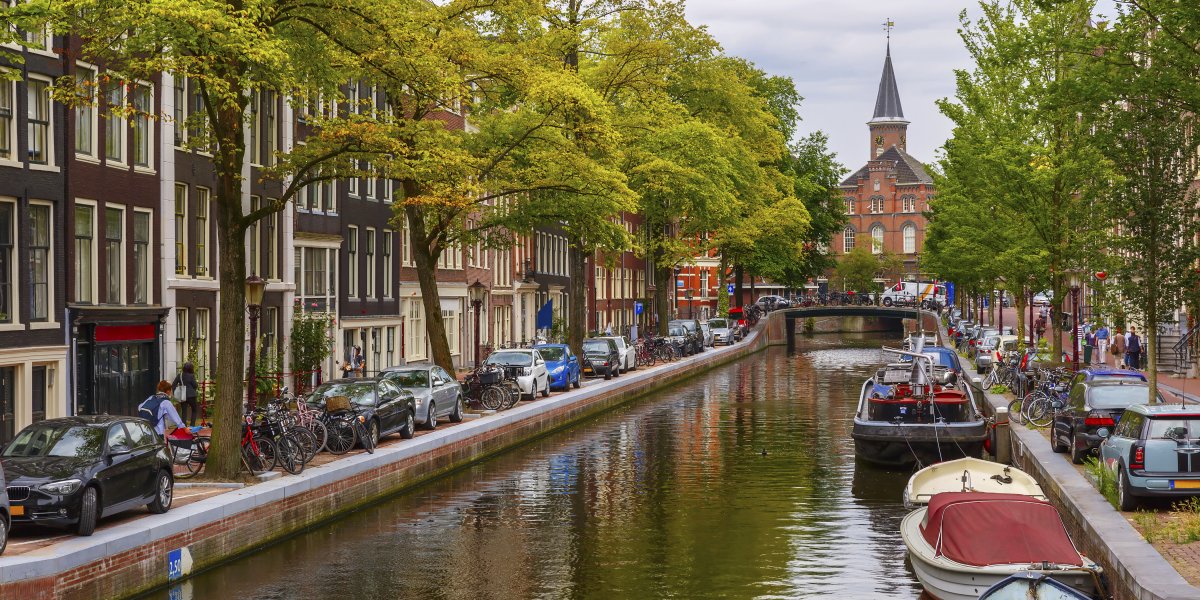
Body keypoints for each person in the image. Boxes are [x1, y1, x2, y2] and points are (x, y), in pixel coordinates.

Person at [171, 362, 200, 426]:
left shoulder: (180, 375)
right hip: (192, 395)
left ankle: (183, 426)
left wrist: (175, 393)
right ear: (191, 369)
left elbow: (173, 385)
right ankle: (192, 426)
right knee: (194, 410)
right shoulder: (191, 376)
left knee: (184, 411)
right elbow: (195, 385)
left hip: (182, 396)